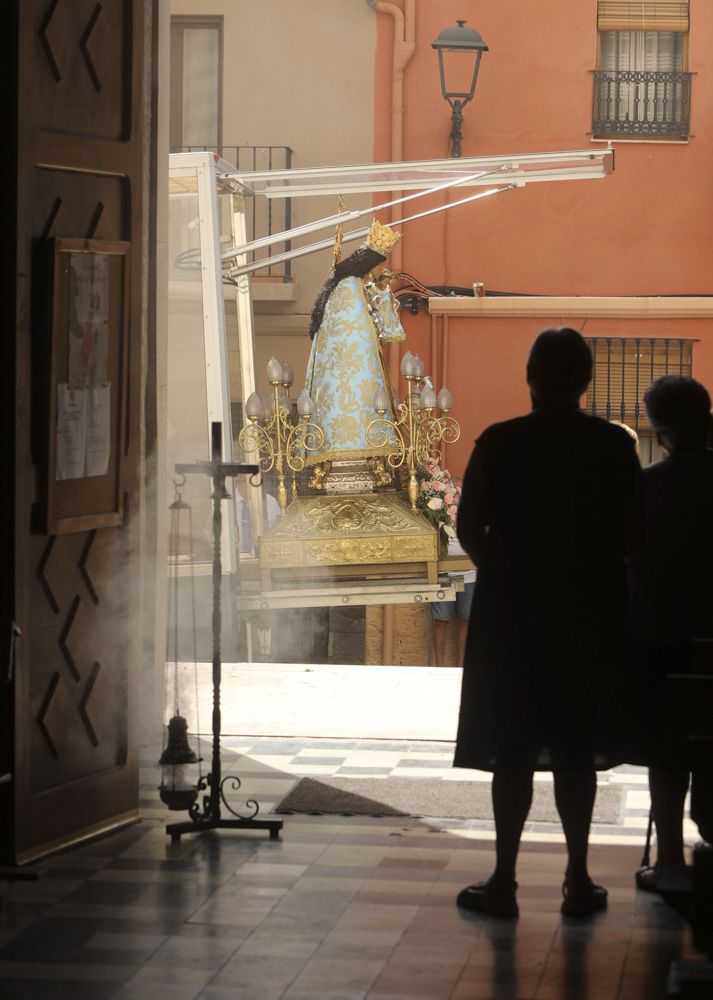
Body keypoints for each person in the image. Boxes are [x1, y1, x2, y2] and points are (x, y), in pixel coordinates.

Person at [453, 327, 641, 918]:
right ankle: (579, 878)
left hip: (514, 620)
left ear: (530, 377)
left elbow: (466, 529)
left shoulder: (499, 443)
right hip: (588, 615)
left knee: (512, 749)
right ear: (585, 381)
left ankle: (504, 879)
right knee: (575, 747)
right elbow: (634, 531)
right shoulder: (612, 447)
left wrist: (507, 572)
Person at [626, 376, 713, 893]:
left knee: (667, 750)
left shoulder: (648, 486)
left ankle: (671, 860)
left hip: (663, 635)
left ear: (660, 432)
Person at [304, 219, 404, 472]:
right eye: (383, 265)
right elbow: (367, 333)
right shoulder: (349, 289)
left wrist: (382, 291)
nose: (383, 270)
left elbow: (377, 321)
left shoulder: (350, 285)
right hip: (351, 378)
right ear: (374, 264)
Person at [431, 530, 476, 667]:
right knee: (441, 621)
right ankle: (439, 667)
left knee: (466, 622)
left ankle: (462, 667)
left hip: (470, 572)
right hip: (443, 572)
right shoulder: (435, 507)